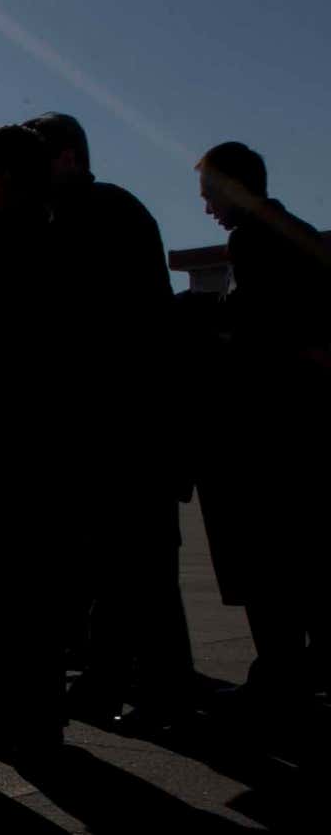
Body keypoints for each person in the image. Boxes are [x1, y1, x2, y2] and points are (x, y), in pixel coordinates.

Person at [24, 112, 192, 732]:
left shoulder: (85, 217)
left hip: (118, 423)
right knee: (124, 568)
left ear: (66, 158)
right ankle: (115, 682)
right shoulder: (112, 210)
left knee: (136, 568)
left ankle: (161, 693)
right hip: (128, 421)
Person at [193, 142, 331, 723]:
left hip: (267, 429)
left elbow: (251, 331)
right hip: (307, 424)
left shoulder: (252, 237)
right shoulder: (297, 231)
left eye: (209, 196)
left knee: (269, 563)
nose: (206, 209)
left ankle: (278, 676)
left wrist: (202, 320)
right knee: (308, 558)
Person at [0, 124, 67, 760]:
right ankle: (43, 714)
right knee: (41, 593)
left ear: (3, 179)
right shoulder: (59, 242)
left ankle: (4, 715)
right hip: (48, 445)